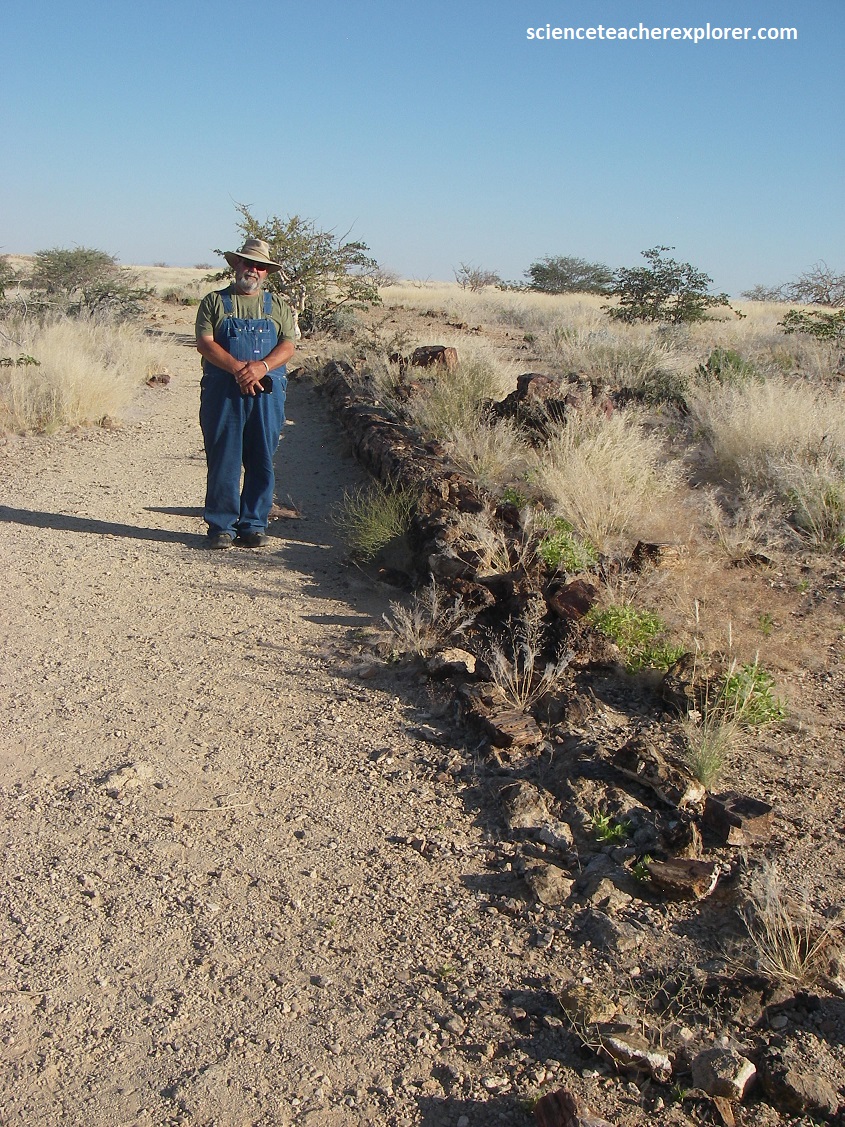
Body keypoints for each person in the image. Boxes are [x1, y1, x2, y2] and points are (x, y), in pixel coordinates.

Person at [195, 238, 296, 548]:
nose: (253, 269)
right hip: (223, 391)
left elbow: (288, 345)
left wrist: (262, 367)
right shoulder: (214, 302)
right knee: (224, 457)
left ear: (266, 272)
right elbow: (205, 343)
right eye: (248, 263)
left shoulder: (278, 306)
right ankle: (221, 527)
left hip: (267, 393)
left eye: (260, 266)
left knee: (262, 457)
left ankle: (254, 525)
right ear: (236, 264)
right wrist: (240, 369)